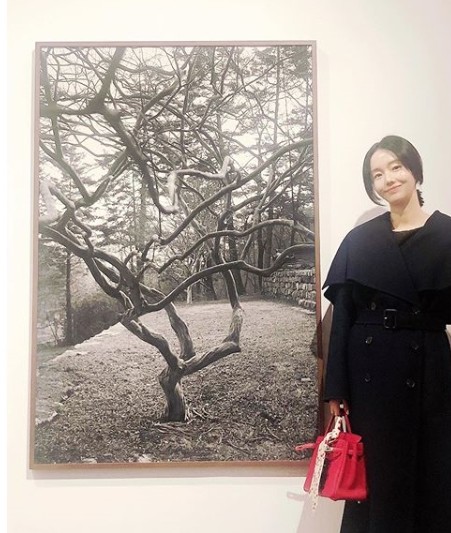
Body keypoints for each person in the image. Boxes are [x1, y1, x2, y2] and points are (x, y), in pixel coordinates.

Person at [323, 135, 451, 533]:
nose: (388, 179)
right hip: (371, 375)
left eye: (396, 167)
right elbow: (343, 317)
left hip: (431, 368)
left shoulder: (448, 234)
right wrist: (336, 388)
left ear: (415, 171)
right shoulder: (360, 240)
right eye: (377, 174)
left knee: (432, 471)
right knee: (379, 477)